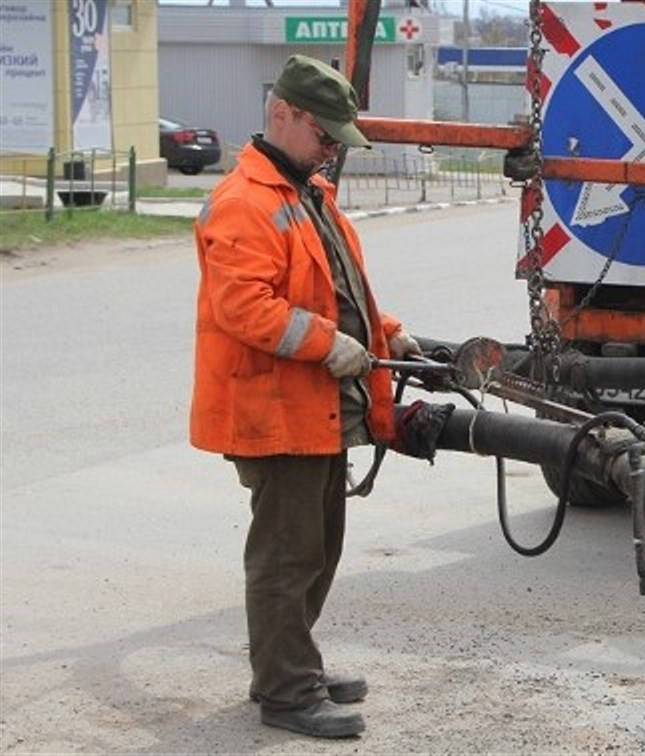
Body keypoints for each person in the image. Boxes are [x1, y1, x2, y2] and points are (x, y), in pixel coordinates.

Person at [190, 54, 420, 739]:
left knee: (317, 550)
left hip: (316, 408)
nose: (331, 153)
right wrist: (327, 345)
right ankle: (286, 694)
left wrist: (389, 335)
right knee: (286, 559)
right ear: (283, 115)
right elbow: (245, 308)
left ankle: (292, 667)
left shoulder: (308, 195)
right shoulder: (245, 202)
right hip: (274, 412)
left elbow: (338, 290)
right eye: (325, 137)